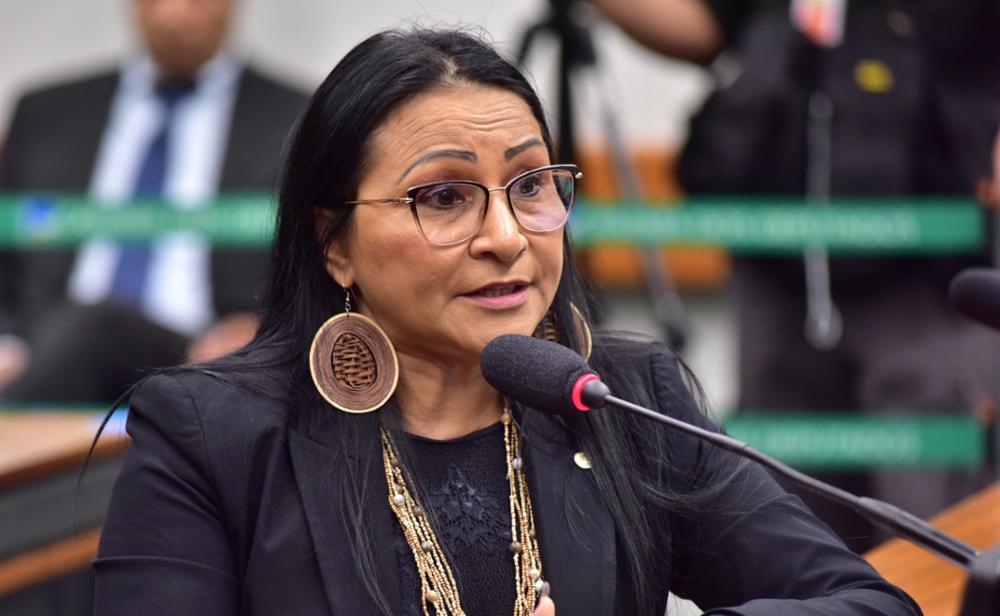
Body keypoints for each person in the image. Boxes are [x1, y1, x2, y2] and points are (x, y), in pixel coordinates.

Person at [92, 28, 919, 616]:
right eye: (444, 197)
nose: (506, 236)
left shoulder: (625, 397)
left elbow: (867, 603)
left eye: (531, 186)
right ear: (334, 244)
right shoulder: (210, 437)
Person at [589, 0, 1000, 552]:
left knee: (935, 534)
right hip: (778, 262)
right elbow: (709, 26)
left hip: (930, 268)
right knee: (787, 534)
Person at [0, 0, 307, 403]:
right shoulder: (46, 113)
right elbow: (7, 260)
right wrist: (8, 343)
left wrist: (266, 330)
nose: (174, 13)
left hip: (206, 359)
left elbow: (322, 264)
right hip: (50, 353)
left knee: (98, 325)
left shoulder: (298, 118)